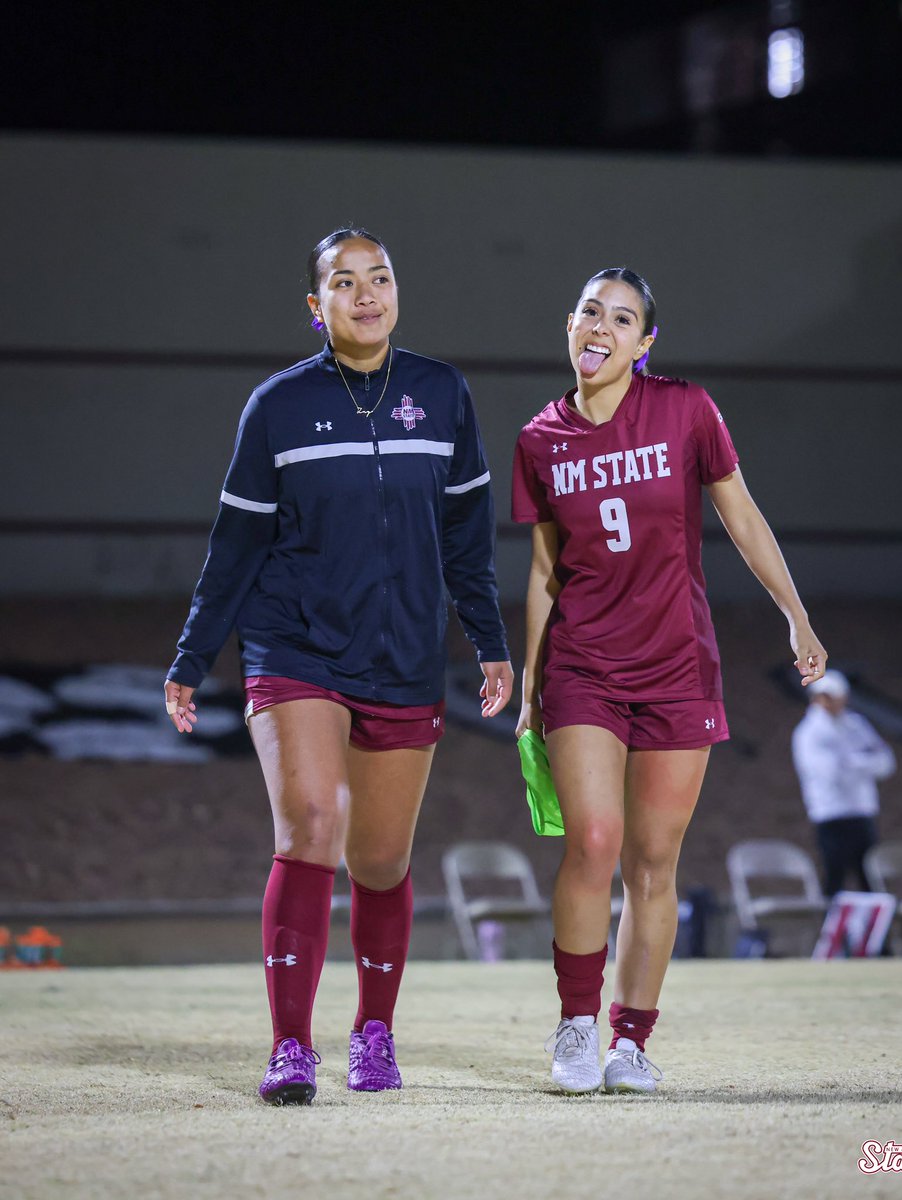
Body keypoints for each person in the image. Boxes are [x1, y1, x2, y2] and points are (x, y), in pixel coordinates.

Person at [164, 227, 513, 1104]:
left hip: (402, 651)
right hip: (294, 644)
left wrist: (489, 637)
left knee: (383, 861)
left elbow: (468, 538)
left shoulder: (441, 394)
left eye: (381, 278)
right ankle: (290, 1048)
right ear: (315, 308)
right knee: (311, 822)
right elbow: (237, 545)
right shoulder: (276, 406)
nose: (367, 294)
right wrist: (193, 653)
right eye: (345, 283)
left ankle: (374, 1034)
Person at [512, 267, 827, 1096]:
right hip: (583, 664)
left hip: (677, 665)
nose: (600, 327)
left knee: (653, 861)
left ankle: (631, 1041)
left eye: (622, 319)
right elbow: (545, 569)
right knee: (596, 841)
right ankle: (577, 1026)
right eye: (588, 310)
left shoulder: (687, 409)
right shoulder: (540, 437)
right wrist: (530, 686)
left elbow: (742, 515)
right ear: (569, 322)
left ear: (645, 344)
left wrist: (795, 614)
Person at [792, 669, 895, 896]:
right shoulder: (809, 733)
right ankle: (832, 929)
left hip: (862, 811)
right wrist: (863, 763)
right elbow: (830, 773)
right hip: (830, 814)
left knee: (869, 877)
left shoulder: (856, 725)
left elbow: (886, 762)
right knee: (834, 876)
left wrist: (853, 763)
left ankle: (872, 930)